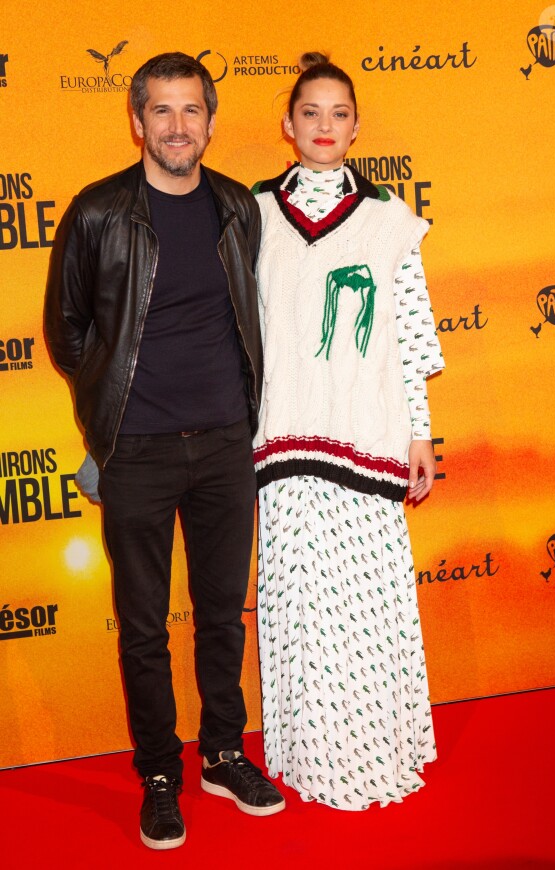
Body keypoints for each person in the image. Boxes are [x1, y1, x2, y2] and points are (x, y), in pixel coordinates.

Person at [44, 51, 285, 851]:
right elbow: (67, 331)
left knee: (222, 615)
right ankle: (158, 772)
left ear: (211, 122)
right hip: (137, 454)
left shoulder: (235, 208)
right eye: (162, 111)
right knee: (143, 626)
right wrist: (117, 407)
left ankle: (223, 752)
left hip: (225, 445)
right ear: (137, 120)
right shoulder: (98, 212)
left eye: (192, 112)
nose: (178, 127)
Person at [251, 53, 445, 811]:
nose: (324, 127)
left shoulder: (392, 222)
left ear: (356, 126)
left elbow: (411, 342)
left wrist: (420, 437)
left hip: (367, 440)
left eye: (338, 114)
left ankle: (376, 748)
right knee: (300, 609)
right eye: (310, 114)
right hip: (286, 445)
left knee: (368, 613)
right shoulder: (254, 212)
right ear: (288, 125)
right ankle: (305, 755)